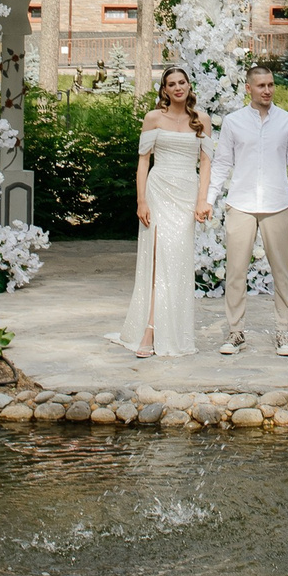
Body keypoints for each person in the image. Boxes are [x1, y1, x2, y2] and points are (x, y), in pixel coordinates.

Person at [209, 63, 288, 357]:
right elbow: (221, 164)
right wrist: (208, 198)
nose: (267, 90)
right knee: (235, 271)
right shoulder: (233, 122)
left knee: (282, 272)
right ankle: (235, 331)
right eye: (261, 86)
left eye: (270, 85)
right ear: (249, 89)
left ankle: (283, 332)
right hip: (241, 203)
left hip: (277, 204)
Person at [111, 66, 212, 359]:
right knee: (156, 261)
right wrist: (141, 201)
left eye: (182, 82)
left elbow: (206, 163)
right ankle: (150, 330)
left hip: (185, 194)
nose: (178, 87)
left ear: (189, 86)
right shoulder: (153, 118)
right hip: (158, 191)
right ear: (164, 90)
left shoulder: (201, 120)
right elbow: (143, 161)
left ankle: (173, 329)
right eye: (172, 84)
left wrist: (201, 200)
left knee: (177, 261)